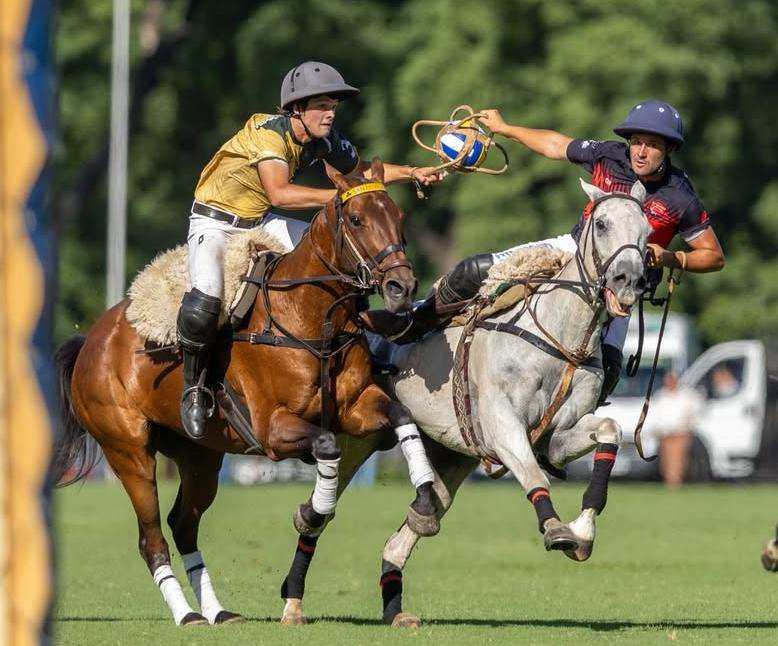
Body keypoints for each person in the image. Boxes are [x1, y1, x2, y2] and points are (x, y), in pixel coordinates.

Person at [385, 100, 725, 406]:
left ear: (668, 150)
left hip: (620, 286)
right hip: (573, 250)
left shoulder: (679, 197)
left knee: (605, 372)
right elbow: (555, 145)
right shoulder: (608, 156)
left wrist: (670, 257)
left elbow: (712, 255)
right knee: (476, 270)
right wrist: (506, 129)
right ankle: (413, 326)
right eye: (636, 141)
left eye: (651, 145)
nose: (640, 152)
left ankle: (559, 435)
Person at [177, 61, 444, 439]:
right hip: (216, 223)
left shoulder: (324, 140)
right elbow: (280, 193)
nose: (331, 113)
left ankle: (365, 347)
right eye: (322, 105)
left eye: (333, 105)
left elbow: (364, 171)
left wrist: (414, 172)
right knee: (204, 303)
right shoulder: (270, 136)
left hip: (260, 221)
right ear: (296, 110)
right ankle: (195, 387)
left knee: (342, 258)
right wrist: (343, 198)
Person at [645, 371, 704, 487]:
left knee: (678, 461)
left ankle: (675, 484)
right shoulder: (661, 395)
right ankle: (670, 483)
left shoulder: (686, 395)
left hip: (680, 433)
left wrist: (689, 425)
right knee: (666, 462)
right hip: (665, 434)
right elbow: (655, 414)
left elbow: (696, 411)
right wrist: (654, 429)